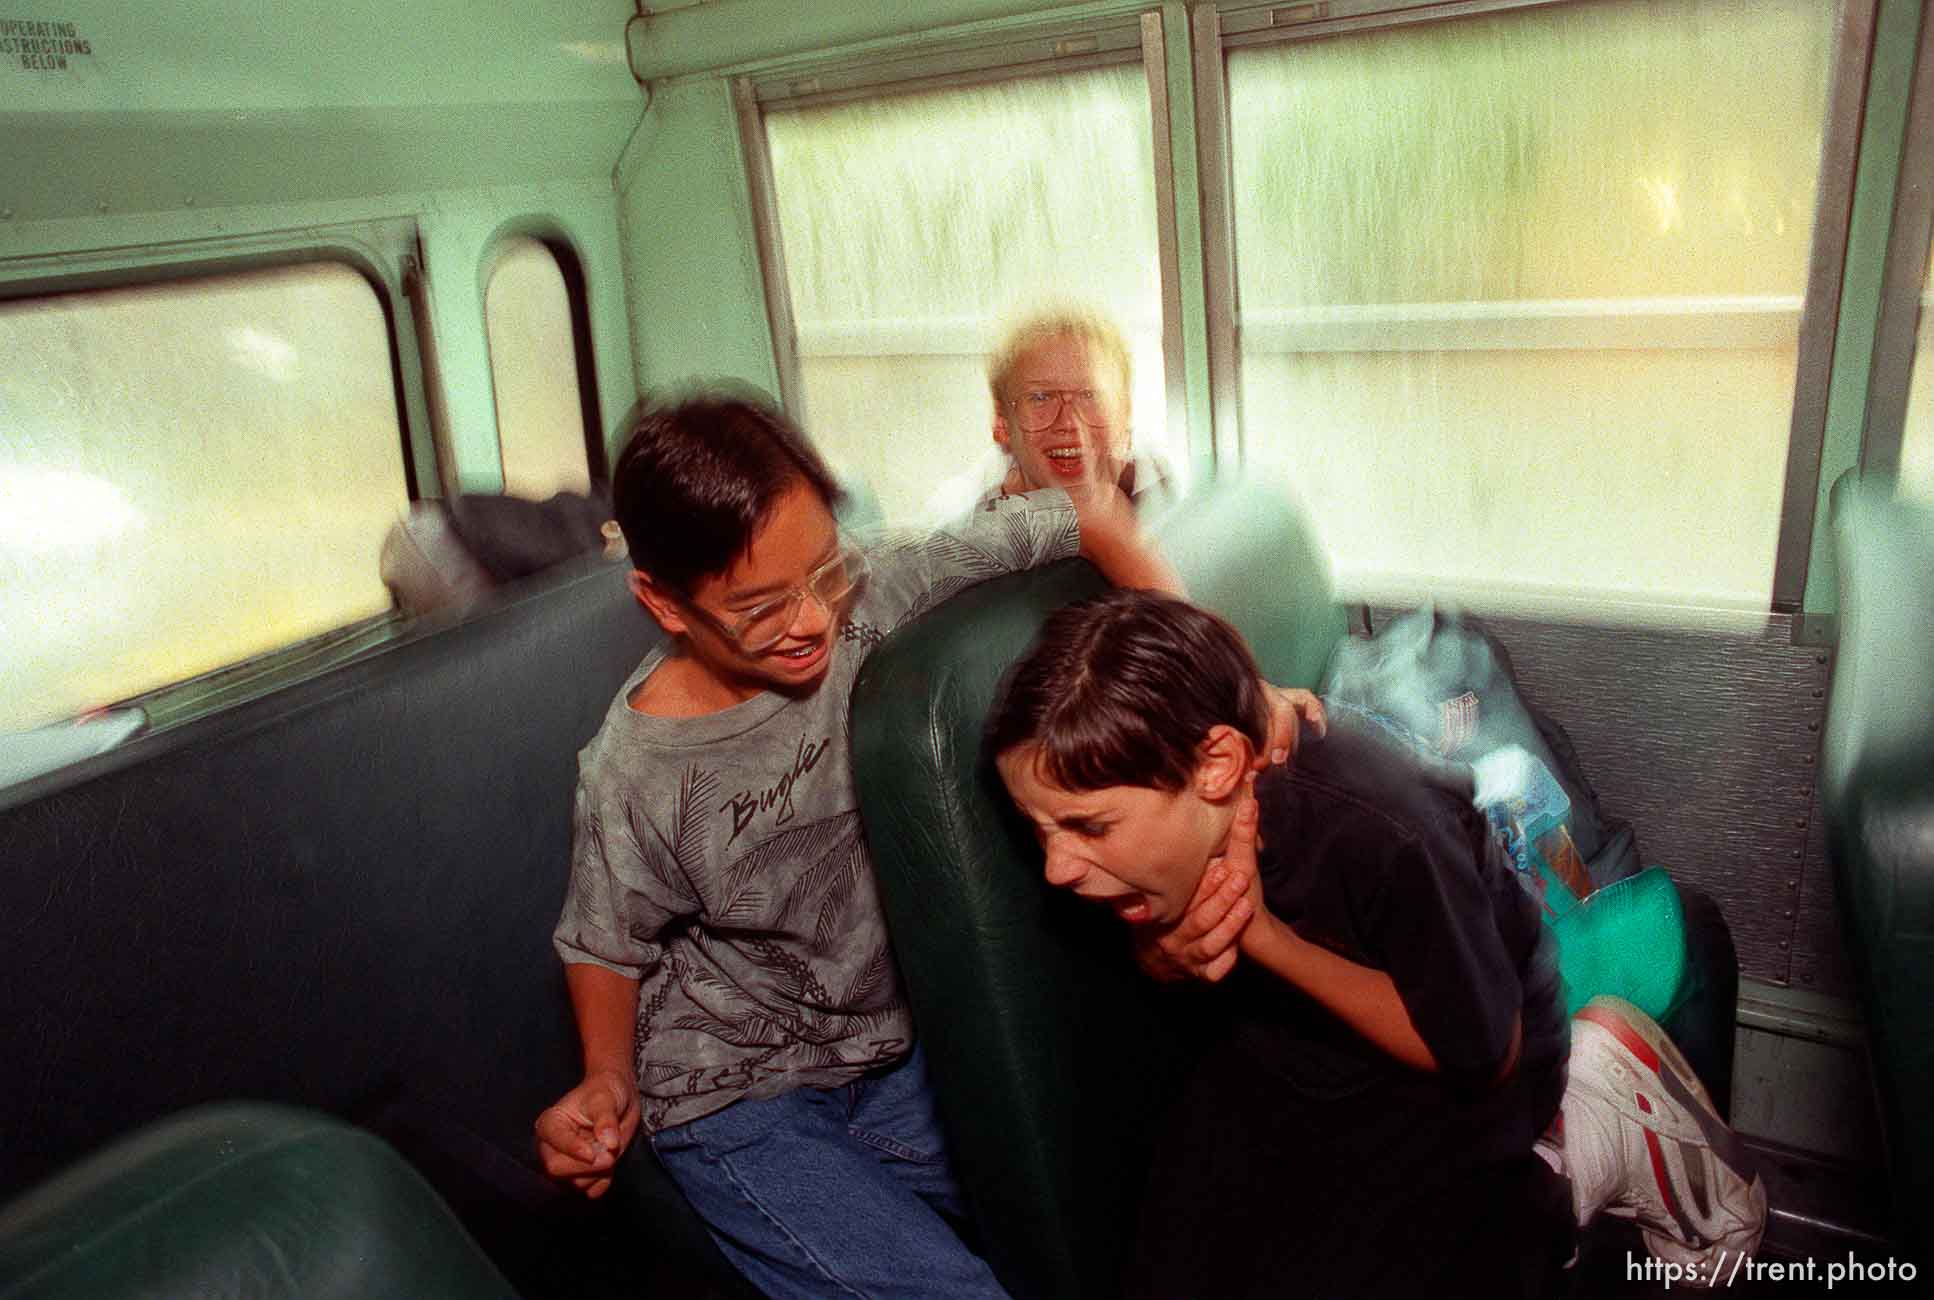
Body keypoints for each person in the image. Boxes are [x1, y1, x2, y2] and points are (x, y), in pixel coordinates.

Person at [531, 388, 1193, 1299]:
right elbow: (602, 939)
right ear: (665, 603)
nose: (810, 621)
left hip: (886, 1052)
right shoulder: (634, 771)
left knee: (1108, 1183)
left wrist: (1213, 672)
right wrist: (607, 1080)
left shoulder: (874, 591)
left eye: (824, 572)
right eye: (760, 607)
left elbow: (1084, 514)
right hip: (737, 1097)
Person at [986, 590, 1763, 1298]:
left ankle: (1580, 1135)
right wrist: (1171, 950)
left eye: (1087, 828)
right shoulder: (1155, 838)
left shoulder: (1383, 833)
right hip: (1298, 1045)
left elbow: (1479, 1052)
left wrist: (1264, 938)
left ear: (1218, 767)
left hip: (1476, 1059)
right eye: (1040, 830)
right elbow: (1172, 951)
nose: (1056, 867)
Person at [928, 304, 1175, 519]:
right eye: (1041, 397)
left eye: (1090, 395)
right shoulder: (961, 519)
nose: (1069, 422)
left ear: (1125, 413)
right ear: (1002, 423)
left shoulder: (1161, 490)